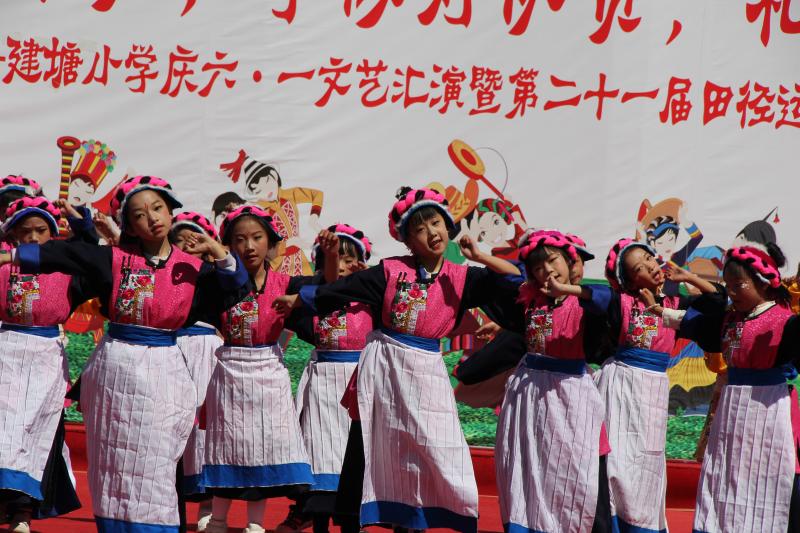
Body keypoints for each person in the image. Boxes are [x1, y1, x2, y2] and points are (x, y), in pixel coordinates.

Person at [0, 175, 249, 533]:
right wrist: (9, 255)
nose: (152, 218)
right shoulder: (114, 260)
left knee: (157, 460)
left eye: (158, 208)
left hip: (164, 369)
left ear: (171, 211)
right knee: (113, 463)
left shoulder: (192, 268)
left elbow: (237, 287)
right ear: (129, 225)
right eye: (140, 214)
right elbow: (65, 253)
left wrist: (217, 249)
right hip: (114, 370)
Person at [274, 187, 521, 533]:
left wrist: (479, 255)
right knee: (373, 444)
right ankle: (353, 520)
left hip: (426, 373)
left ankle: (417, 521)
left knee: (431, 448)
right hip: (386, 370)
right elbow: (345, 288)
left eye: (436, 223)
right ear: (407, 241)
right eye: (420, 229)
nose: (431, 232)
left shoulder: (463, 277)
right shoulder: (391, 271)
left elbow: (514, 281)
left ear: (448, 226)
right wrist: (299, 300)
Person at [202, 205, 314, 533]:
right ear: (228, 245)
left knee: (263, 448)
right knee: (227, 447)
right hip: (230, 372)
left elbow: (328, 289)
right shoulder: (219, 284)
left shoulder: (287, 283)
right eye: (240, 239)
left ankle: (255, 524)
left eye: (256, 238)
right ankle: (218, 520)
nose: (249, 246)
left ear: (271, 243)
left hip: (269, 373)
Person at [491, 229, 612, 532]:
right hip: (531, 397)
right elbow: (507, 278)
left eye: (553, 261)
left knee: (581, 467)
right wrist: (480, 256)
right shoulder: (531, 302)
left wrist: (567, 289)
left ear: (570, 262)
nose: (547, 270)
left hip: (571, 394)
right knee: (533, 465)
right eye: (538, 266)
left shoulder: (585, 301)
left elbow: (608, 301)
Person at [677, 241, 800, 533]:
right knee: (726, 471)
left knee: (767, 474)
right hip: (732, 410)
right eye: (728, 285)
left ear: (764, 283)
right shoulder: (730, 319)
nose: (731, 292)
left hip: (769, 410)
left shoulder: (785, 321)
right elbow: (698, 323)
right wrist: (663, 313)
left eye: (738, 285)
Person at [281, 224, 374, 533]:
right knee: (320, 453)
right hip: (322, 383)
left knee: (354, 456)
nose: (343, 265)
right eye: (336, 259)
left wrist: (367, 278)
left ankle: (353, 523)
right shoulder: (315, 299)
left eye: (350, 259)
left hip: (358, 381)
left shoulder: (370, 299)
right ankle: (317, 520)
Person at [169, 211, 225, 531]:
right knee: (170, 421)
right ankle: (169, 504)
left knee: (204, 425)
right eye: (180, 240)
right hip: (169, 347)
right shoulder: (163, 272)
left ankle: (207, 503)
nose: (187, 245)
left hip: (205, 348)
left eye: (194, 239)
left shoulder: (213, 276)